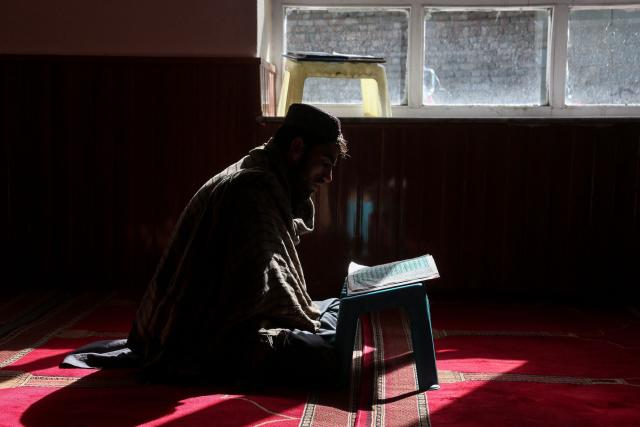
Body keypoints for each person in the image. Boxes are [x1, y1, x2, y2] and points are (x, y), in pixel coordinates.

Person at [61, 103, 348, 386]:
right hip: (207, 342)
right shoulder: (251, 190)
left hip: (219, 323)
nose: (328, 177)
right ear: (297, 148)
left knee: (338, 309)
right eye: (325, 163)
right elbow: (251, 297)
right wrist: (303, 324)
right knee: (328, 351)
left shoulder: (262, 172)